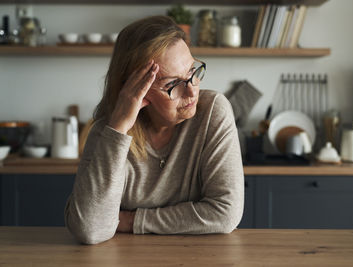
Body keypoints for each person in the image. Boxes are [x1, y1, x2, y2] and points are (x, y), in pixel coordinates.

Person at [64, 15, 244, 245]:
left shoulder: (212, 111)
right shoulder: (108, 131)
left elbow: (225, 214)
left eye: (192, 72)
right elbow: (89, 229)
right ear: (135, 89)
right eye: (172, 85)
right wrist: (118, 129)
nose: (192, 92)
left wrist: (131, 221)